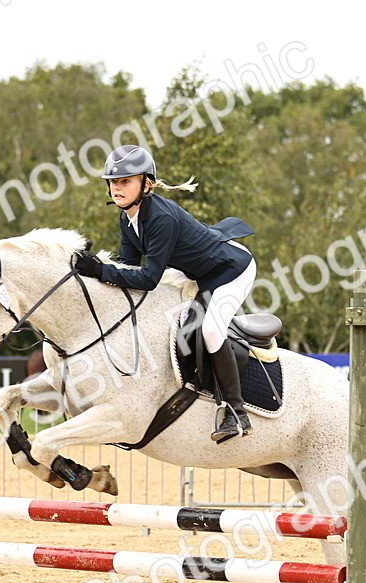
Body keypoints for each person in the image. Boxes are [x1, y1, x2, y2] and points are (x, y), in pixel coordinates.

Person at [72, 144, 256, 443]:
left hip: (231, 270)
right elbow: (128, 267)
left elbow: (148, 279)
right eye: (113, 181)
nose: (116, 187)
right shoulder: (127, 219)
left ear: (146, 184)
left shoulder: (161, 218)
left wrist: (101, 270)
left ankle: (237, 413)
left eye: (125, 181)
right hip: (197, 271)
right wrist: (97, 269)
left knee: (210, 330)